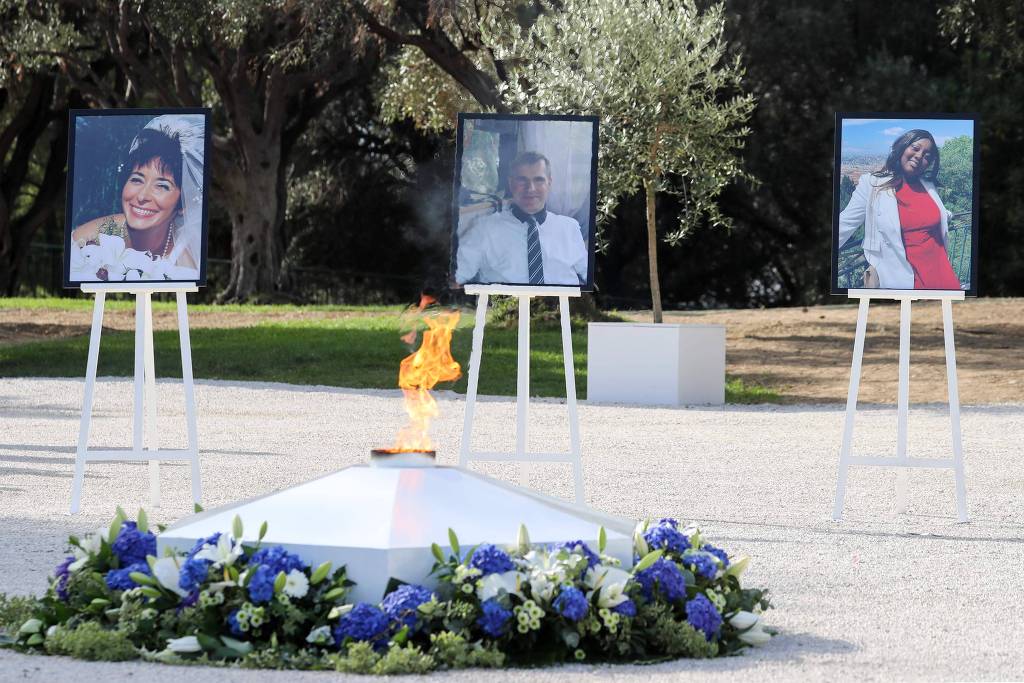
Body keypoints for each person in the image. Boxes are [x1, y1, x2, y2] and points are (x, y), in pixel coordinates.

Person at [69, 114, 205, 282]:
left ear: (183, 204)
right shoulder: (90, 237)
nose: (142, 196)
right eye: (136, 179)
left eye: (162, 186)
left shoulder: (185, 262)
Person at [837, 128, 962, 290]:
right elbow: (843, 225)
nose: (919, 156)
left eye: (927, 156)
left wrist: (947, 215)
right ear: (902, 147)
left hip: (940, 270)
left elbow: (934, 214)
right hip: (902, 278)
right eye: (915, 148)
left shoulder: (929, 186)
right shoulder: (872, 185)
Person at [455, 151, 588, 286]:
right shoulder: (483, 229)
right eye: (522, 180)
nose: (530, 189)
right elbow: (455, 278)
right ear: (511, 183)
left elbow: (587, 275)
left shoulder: (570, 227)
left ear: (549, 182)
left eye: (538, 180)